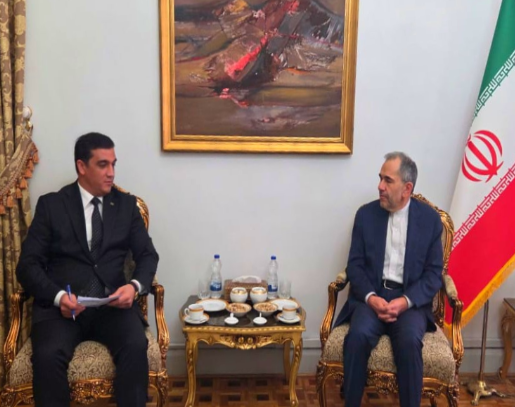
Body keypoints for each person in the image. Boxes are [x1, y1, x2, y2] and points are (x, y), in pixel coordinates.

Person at [16, 132, 159, 407]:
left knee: (134, 344)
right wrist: (59, 297)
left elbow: (147, 255)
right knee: (47, 355)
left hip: (112, 308)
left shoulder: (126, 206)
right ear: (81, 166)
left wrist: (134, 287)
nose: (111, 173)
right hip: (62, 311)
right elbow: (27, 265)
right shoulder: (52, 205)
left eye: (113, 164)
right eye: (103, 164)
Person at [333, 152, 443, 407]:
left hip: (409, 302)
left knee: (409, 342)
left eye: (388, 180)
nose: (380, 186)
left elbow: (433, 274)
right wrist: (371, 298)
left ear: (407, 188)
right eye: (380, 178)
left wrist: (405, 301)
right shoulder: (365, 215)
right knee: (357, 337)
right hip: (372, 297)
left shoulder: (430, 220)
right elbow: (355, 266)